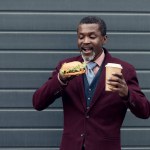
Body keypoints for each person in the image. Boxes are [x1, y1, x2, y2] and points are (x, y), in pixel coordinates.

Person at [32, 16, 150, 150]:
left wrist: (127, 94)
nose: (85, 41)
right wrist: (60, 80)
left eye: (92, 36)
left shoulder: (125, 70)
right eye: (81, 37)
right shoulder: (65, 67)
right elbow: (38, 102)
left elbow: (145, 111)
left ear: (104, 39)